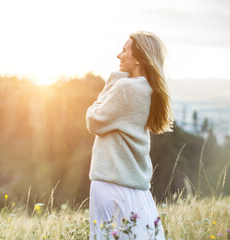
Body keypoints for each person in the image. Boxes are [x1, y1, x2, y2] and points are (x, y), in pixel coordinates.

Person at [86, 31, 174, 240]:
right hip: (136, 187)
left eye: (124, 50)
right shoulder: (150, 90)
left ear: (137, 58)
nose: (119, 55)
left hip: (110, 183)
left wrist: (113, 80)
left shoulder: (124, 87)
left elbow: (94, 121)